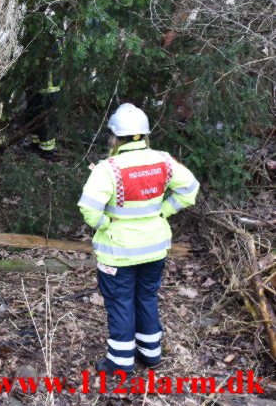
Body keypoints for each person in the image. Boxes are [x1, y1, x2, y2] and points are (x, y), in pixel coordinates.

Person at [77, 103, 199, 373]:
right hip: (154, 248)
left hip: (118, 252)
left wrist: (105, 224)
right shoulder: (164, 160)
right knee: (146, 297)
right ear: (145, 135)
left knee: (120, 302)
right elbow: (190, 189)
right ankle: (151, 353)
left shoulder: (107, 168)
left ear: (114, 137)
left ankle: (120, 363)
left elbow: (88, 208)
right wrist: (163, 212)